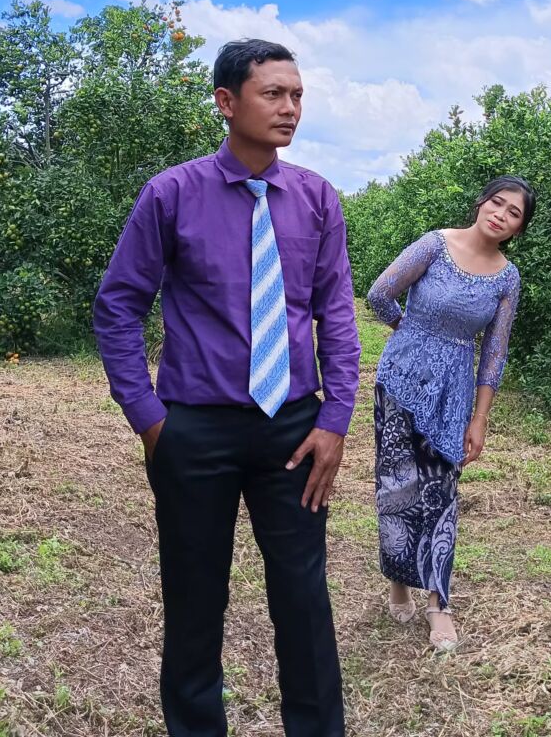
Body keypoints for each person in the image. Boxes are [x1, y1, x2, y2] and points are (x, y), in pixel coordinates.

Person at [94, 39, 360, 737]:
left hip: (294, 430)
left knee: (304, 598)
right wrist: (150, 418)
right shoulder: (171, 194)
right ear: (226, 101)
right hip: (194, 430)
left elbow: (335, 313)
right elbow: (118, 305)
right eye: (273, 93)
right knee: (194, 599)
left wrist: (335, 419)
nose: (290, 107)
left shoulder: (317, 199)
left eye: (297, 95)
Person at [365, 175, 535, 652]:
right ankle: (398, 582)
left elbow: (494, 354)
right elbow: (379, 293)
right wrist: (410, 331)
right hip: (401, 378)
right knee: (397, 485)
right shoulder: (435, 245)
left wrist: (480, 418)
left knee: (442, 489)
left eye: (514, 213)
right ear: (481, 203)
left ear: (518, 228)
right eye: (497, 203)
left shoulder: (507, 278)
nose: (500, 215)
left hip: (453, 392)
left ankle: (439, 601)